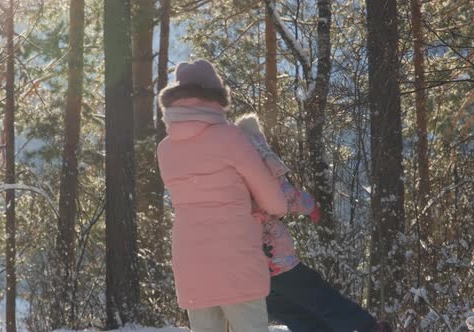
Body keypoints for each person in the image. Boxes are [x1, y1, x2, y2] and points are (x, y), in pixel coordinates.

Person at [157, 59, 288, 332]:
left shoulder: (165, 149)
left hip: (190, 262)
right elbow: (275, 203)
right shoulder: (230, 137)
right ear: (214, 96)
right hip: (236, 260)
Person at [235, 113, 392, 332]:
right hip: (275, 255)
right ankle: (367, 327)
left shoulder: (225, 168)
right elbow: (281, 195)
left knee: (289, 311)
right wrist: (310, 205)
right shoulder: (257, 157)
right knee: (318, 295)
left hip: (246, 263)